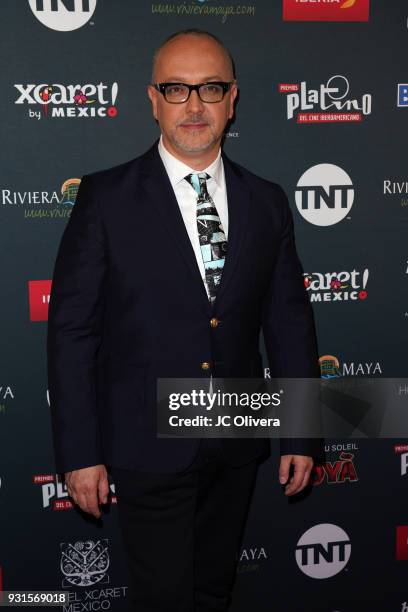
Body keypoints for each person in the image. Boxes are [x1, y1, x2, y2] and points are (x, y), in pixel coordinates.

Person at [47, 28, 322, 612]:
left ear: (233, 98)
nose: (194, 106)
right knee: (165, 599)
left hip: (235, 438)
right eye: (177, 88)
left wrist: (301, 430)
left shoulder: (267, 201)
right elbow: (72, 333)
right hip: (144, 443)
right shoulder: (105, 198)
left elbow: (289, 324)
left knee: (213, 592)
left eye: (210, 88)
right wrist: (79, 451)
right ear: (153, 99)